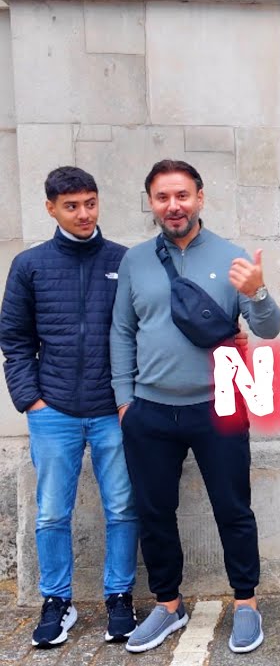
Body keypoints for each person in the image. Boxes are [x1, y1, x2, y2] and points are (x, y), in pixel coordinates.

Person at [111, 159, 280, 655]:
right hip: (149, 412)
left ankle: (246, 603)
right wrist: (125, 402)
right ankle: (168, 605)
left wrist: (260, 292)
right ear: (151, 203)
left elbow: (267, 328)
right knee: (155, 512)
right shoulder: (136, 261)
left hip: (219, 407)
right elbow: (121, 332)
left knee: (233, 509)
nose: (173, 206)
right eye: (162, 197)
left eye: (182, 195)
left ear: (200, 198)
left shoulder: (231, 258)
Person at [0, 166, 138, 648]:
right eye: (72, 206)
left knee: (122, 506)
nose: (84, 214)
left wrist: (130, 400)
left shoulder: (125, 260)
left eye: (90, 203)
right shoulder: (29, 265)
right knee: (51, 513)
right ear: (51, 208)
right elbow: (14, 340)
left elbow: (140, 333)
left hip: (112, 411)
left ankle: (120, 595)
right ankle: (56, 601)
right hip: (53, 411)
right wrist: (31, 401)